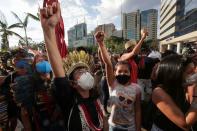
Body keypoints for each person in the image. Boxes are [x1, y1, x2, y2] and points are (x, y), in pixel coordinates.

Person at [40, 2, 104, 131]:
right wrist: (49, 29)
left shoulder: (96, 98)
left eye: (86, 70)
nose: (86, 73)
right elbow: (59, 72)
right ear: (73, 83)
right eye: (80, 71)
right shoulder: (69, 100)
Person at [96, 31, 141, 131]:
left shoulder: (137, 89)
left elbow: (137, 110)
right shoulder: (113, 84)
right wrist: (101, 43)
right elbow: (108, 63)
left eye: (126, 71)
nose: (122, 73)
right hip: (114, 127)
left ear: (130, 73)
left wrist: (138, 128)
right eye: (119, 71)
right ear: (115, 73)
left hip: (131, 127)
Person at [151, 55, 197, 131]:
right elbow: (185, 124)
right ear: (175, 75)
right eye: (190, 72)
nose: (194, 74)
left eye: (194, 70)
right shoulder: (159, 92)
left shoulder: (182, 86)